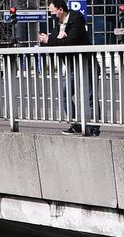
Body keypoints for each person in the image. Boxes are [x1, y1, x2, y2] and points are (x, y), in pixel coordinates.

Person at [39, 0, 99, 136]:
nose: (51, 15)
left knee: (89, 96)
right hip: (72, 65)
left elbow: (71, 40)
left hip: (86, 63)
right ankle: (76, 124)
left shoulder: (76, 19)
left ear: (60, 10)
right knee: (65, 95)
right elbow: (54, 42)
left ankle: (94, 127)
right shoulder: (58, 24)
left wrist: (54, 40)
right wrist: (50, 40)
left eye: (52, 12)